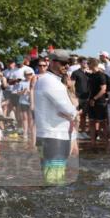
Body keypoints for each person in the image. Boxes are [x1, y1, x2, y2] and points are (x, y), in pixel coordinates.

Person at [34, 51, 77, 184]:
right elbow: (70, 110)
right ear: (52, 62)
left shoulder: (53, 81)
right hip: (53, 137)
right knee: (54, 183)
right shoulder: (49, 81)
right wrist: (73, 111)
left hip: (51, 135)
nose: (67, 66)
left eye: (69, 63)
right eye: (63, 63)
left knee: (52, 180)